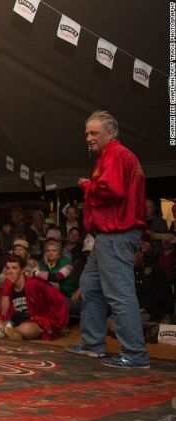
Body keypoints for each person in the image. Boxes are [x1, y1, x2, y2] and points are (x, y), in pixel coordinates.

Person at [66, 111, 149, 369]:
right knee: (90, 285)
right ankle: (92, 344)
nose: (89, 138)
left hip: (116, 233)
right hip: (110, 234)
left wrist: (87, 186)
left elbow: (112, 190)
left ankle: (135, 353)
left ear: (111, 133)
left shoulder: (114, 154)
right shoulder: (121, 156)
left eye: (94, 133)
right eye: (87, 133)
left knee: (119, 294)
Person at [0, 256, 69, 341]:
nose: (10, 272)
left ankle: (3, 332)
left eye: (14, 268)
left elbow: (60, 299)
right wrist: (5, 291)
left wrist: (48, 320)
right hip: (14, 322)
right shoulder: (8, 285)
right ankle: (7, 332)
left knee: (26, 329)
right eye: (8, 268)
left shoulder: (34, 283)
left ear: (22, 270)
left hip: (32, 323)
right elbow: (4, 313)